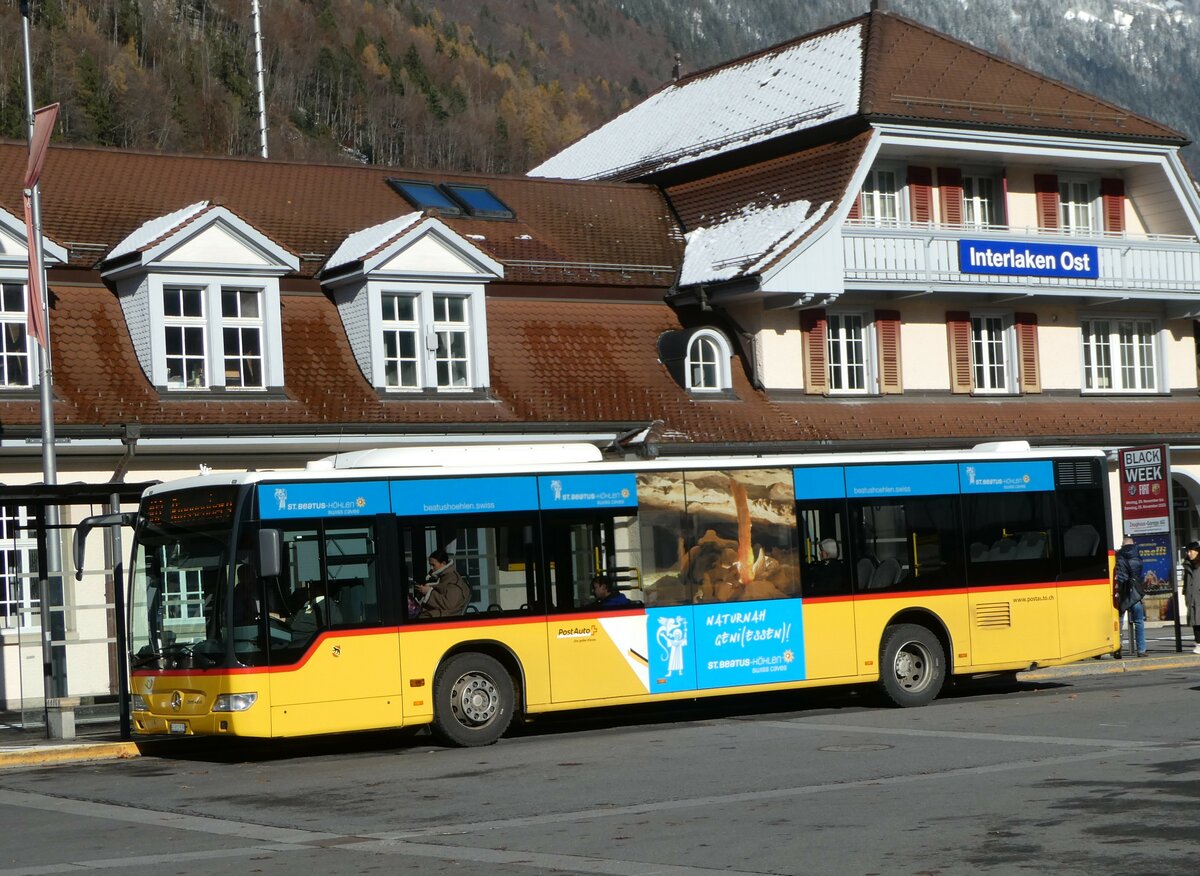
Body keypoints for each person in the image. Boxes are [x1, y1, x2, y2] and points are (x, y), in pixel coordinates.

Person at [414, 549, 470, 618]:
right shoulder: (441, 576)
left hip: (446, 616)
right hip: (436, 612)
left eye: (433, 565)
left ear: (443, 563)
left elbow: (449, 605)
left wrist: (429, 592)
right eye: (430, 565)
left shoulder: (453, 580)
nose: (431, 568)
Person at [1115, 535, 1145, 658]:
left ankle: (1118, 649)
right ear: (1133, 544)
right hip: (1134, 594)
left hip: (1122, 593)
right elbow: (1138, 575)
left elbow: (1118, 575)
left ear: (1123, 545)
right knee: (1139, 621)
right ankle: (1141, 650)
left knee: (1119, 622)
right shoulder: (1137, 557)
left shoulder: (1117, 557)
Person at [1184, 541, 1200, 655]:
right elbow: (1186, 582)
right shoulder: (1187, 564)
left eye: (1191, 551)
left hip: (1198, 597)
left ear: (1197, 551)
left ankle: (1199, 644)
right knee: (1195, 622)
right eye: (1188, 551)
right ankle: (1198, 643)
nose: (1189, 553)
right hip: (1192, 598)